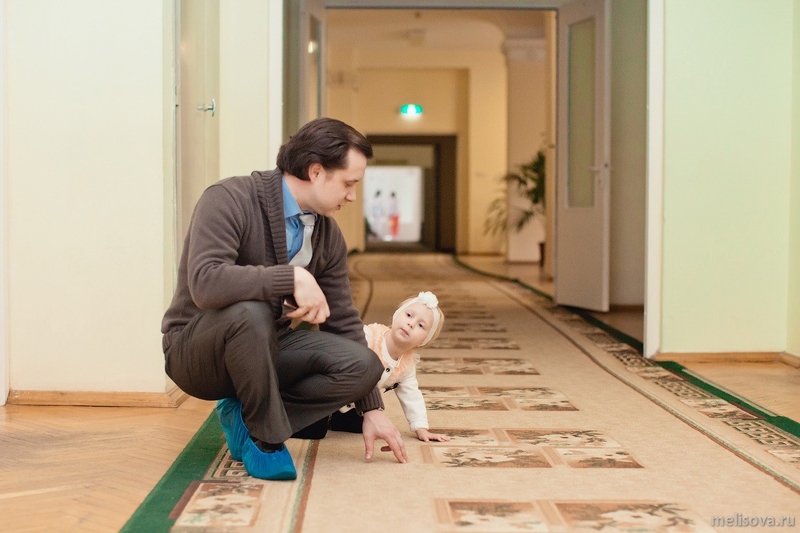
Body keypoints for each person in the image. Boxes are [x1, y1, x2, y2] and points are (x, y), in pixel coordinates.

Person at [161, 117, 408, 481]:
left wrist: (371, 407)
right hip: (197, 352)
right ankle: (266, 440)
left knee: (363, 364)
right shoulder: (229, 198)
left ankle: (249, 418)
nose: (352, 197)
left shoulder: (327, 234)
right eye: (348, 183)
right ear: (316, 171)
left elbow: (342, 320)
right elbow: (206, 282)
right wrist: (291, 277)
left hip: (268, 350)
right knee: (250, 311)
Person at [332, 291, 450, 442]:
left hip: (351, 403)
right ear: (396, 315)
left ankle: (337, 417)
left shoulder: (406, 363)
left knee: (362, 423)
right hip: (329, 389)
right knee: (315, 430)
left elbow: (411, 394)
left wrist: (421, 428)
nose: (411, 324)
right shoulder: (369, 337)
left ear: (424, 340)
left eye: (421, 325)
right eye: (409, 315)